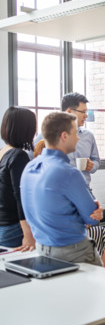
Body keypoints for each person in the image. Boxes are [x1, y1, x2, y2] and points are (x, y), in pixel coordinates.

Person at [20, 111, 104, 265]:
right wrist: (95, 209)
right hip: (75, 252)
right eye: (75, 133)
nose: (78, 137)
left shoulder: (29, 168)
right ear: (64, 136)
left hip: (42, 250)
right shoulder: (69, 173)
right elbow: (91, 219)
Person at [32, 137, 105, 271]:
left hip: (54, 239)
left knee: (102, 237)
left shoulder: (37, 179)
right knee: (101, 236)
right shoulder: (62, 180)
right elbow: (86, 219)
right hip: (65, 240)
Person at [0, 106, 36, 251]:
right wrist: (28, 234)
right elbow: (21, 198)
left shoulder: (3, 152)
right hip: (13, 227)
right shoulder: (18, 156)